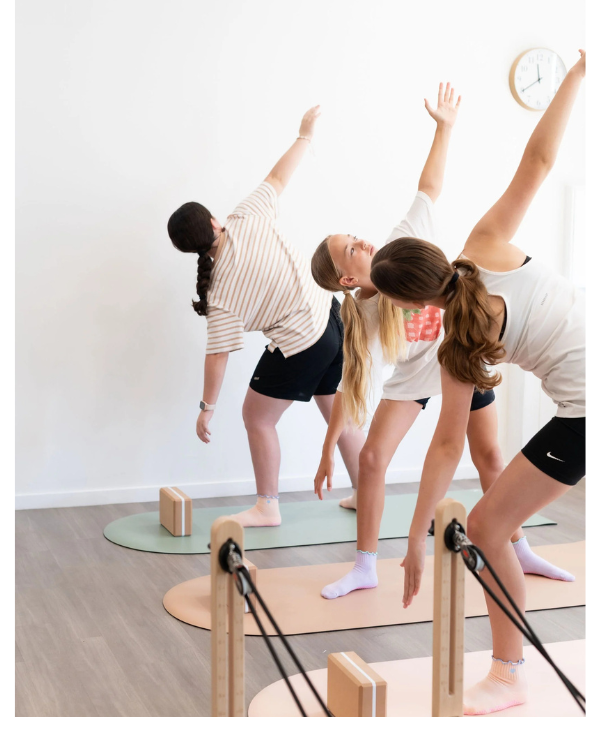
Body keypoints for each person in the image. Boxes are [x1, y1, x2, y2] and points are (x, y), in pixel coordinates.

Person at [369, 51, 586, 715]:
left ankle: (508, 673)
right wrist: (576, 75)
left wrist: (412, 540)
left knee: (488, 528)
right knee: (497, 516)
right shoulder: (485, 241)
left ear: (412, 305)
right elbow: (539, 164)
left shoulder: (456, 344)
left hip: (586, 410)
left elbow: (444, 448)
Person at [311, 85, 572, 601]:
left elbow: (428, 186)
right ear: (345, 279)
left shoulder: (401, 248)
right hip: (418, 379)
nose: (362, 241)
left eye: (354, 235)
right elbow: (352, 385)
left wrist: (444, 127)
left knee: (491, 457)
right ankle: (365, 564)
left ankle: (519, 549)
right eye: (350, 248)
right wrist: (326, 450)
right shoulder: (361, 316)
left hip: (462, 360)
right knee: (370, 460)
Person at [167, 107, 365, 527]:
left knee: (256, 417)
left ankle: (267, 506)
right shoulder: (246, 216)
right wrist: (305, 135)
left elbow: (217, 355)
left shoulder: (218, 292)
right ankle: (368, 493)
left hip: (303, 341)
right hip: (331, 319)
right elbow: (279, 177)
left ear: (188, 249)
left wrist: (207, 407)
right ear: (214, 221)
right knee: (335, 412)